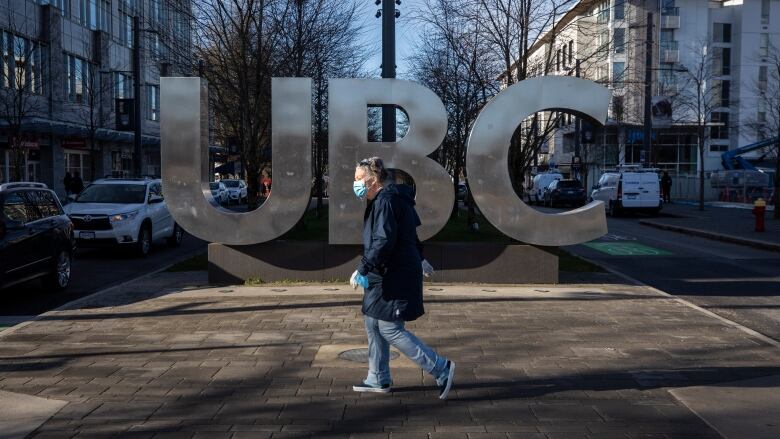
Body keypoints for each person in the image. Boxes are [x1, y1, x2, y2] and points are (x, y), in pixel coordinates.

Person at [350, 157, 455, 399]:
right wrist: (420, 258)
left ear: (373, 180)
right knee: (373, 322)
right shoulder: (389, 199)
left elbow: (384, 240)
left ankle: (441, 369)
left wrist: (363, 268)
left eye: (358, 179)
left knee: (389, 328)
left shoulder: (386, 201)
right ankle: (378, 378)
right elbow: (408, 236)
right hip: (386, 273)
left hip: (393, 274)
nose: (355, 184)